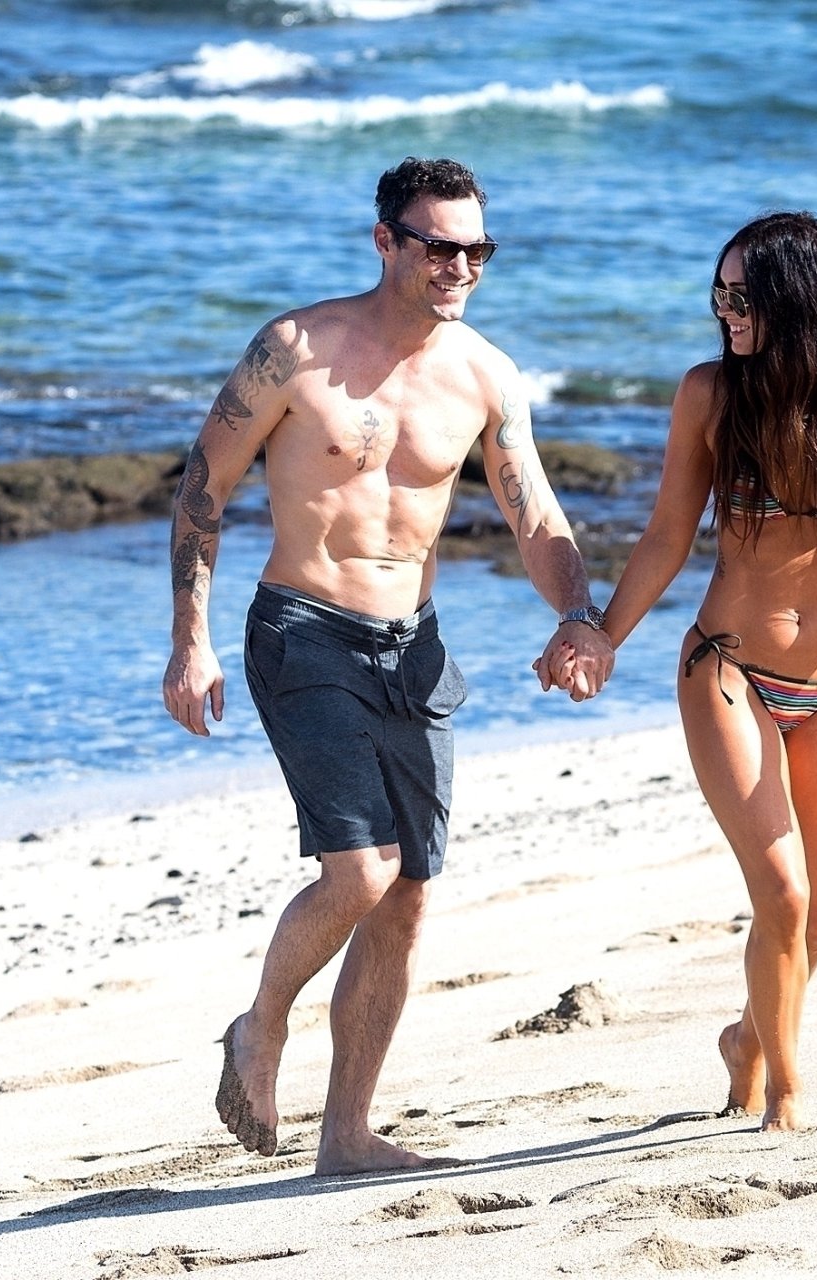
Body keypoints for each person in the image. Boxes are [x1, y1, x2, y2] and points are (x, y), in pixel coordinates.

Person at [161, 157, 616, 1174]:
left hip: (416, 647)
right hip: (302, 630)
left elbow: (533, 512)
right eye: (440, 247)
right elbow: (202, 488)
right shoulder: (294, 349)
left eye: (478, 250)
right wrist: (191, 636)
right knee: (360, 870)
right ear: (385, 241)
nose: (462, 267)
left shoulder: (486, 374)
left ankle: (347, 1134)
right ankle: (260, 1024)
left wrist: (579, 615)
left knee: (407, 891)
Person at [576, 211, 817, 1131]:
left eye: (742, 297)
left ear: (796, 300)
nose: (725, 313)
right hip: (728, 671)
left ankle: (748, 1041)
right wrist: (603, 634)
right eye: (718, 295)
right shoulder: (708, 394)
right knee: (784, 893)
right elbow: (666, 534)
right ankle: (785, 1099)